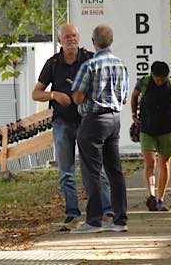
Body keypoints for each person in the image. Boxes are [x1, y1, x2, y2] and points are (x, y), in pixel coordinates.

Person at [32, 24, 113, 230]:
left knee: (95, 167)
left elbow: (102, 85)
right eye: (67, 37)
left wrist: (83, 95)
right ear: (60, 40)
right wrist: (54, 95)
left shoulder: (88, 58)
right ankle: (72, 212)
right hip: (62, 122)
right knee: (66, 170)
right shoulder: (53, 64)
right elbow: (36, 93)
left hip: (87, 121)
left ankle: (106, 209)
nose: (71, 39)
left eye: (74, 35)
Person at [70, 24, 129, 233]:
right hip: (114, 119)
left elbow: (77, 97)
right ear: (111, 41)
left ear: (93, 42)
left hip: (93, 120)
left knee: (91, 170)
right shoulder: (121, 65)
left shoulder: (89, 65)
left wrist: (81, 92)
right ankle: (120, 219)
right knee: (115, 171)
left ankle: (93, 220)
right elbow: (123, 97)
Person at [130, 61, 171, 212]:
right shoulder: (144, 82)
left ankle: (161, 198)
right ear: (152, 75)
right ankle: (151, 196)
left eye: (163, 79)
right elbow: (134, 96)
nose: (160, 82)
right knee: (150, 162)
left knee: (165, 163)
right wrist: (134, 115)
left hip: (167, 128)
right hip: (147, 128)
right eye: (157, 79)